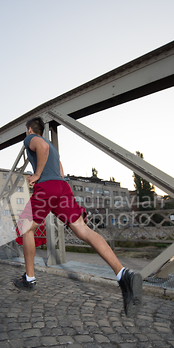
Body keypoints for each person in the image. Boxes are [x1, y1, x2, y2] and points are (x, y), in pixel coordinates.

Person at [14, 117, 143, 317]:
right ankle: (122, 273)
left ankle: (29, 279)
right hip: (62, 187)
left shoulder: (31, 138)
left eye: (28, 130)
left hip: (47, 187)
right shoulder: (53, 147)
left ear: (30, 129)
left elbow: (41, 148)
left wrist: (38, 174)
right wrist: (55, 181)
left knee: (25, 228)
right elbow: (60, 167)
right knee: (83, 230)